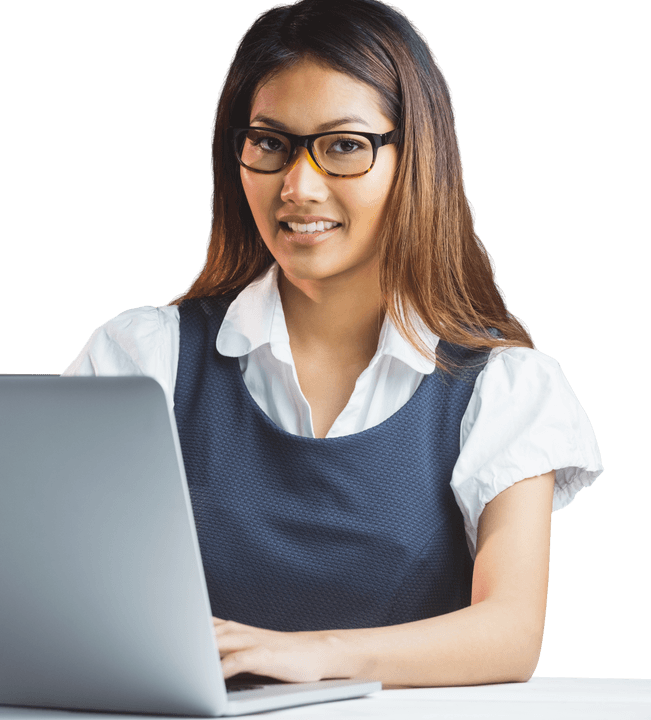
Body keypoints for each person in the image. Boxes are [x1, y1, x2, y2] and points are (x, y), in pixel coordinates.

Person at [63, 0, 602, 688]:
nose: (298, 185)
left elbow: (510, 633)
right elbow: (49, 577)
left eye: (344, 145)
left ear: (417, 158)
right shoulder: (141, 359)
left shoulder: (505, 387)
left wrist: (313, 656)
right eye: (270, 143)